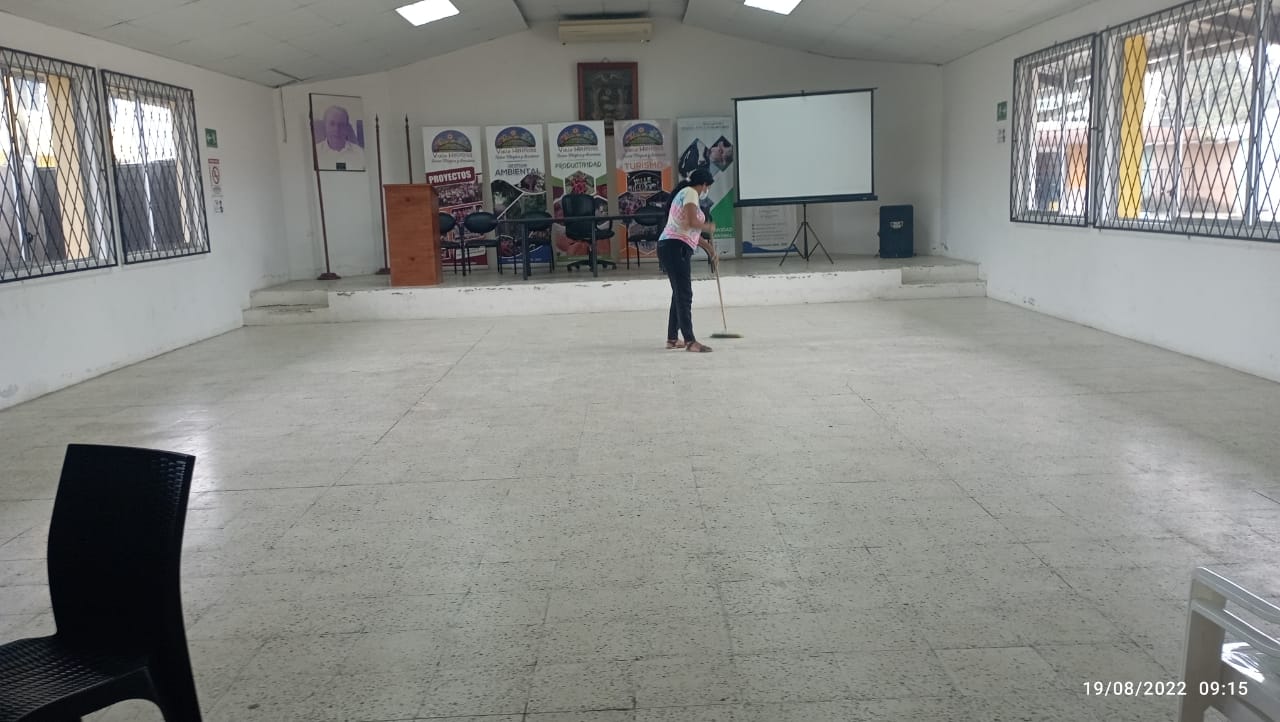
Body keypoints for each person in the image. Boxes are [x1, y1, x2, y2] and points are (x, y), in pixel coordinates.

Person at [658, 168, 718, 352]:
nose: (706, 190)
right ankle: (690, 341)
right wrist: (709, 226)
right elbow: (692, 223)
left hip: (672, 246)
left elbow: (690, 231)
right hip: (676, 247)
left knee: (678, 293)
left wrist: (710, 250)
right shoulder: (691, 193)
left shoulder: (684, 194)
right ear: (704, 185)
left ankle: (672, 339)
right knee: (684, 294)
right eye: (707, 187)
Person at [314, 106, 365, 171]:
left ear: (347, 127)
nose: (337, 129)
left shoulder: (360, 153)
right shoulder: (315, 152)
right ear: (325, 126)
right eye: (332, 124)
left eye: (341, 124)